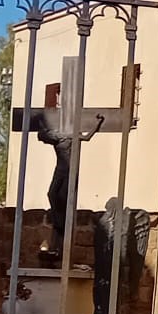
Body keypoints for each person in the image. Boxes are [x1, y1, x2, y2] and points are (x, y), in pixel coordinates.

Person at [35, 108, 104, 264]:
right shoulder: (57, 137)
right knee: (51, 194)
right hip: (60, 169)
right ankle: (58, 222)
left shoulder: (72, 137)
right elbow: (42, 135)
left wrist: (98, 122)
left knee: (63, 199)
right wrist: (39, 122)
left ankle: (61, 231)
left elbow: (87, 137)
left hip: (70, 172)